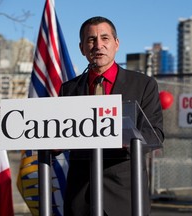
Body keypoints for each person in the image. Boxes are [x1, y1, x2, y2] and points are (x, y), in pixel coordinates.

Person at [59, 16, 164, 216]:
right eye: (91, 40)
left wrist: (128, 138)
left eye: (105, 38)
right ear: (82, 48)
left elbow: (155, 135)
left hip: (125, 196)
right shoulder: (68, 89)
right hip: (80, 198)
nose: (98, 45)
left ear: (116, 44)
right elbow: (58, 134)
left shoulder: (143, 85)